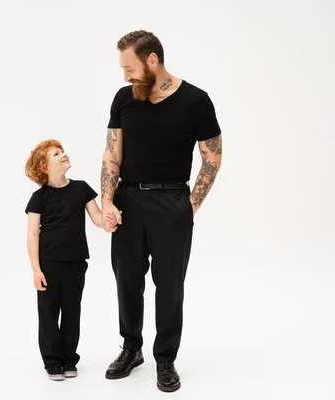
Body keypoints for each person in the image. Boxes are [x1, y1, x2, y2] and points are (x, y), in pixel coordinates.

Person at [100, 30, 223, 392]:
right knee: (127, 280)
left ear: (152, 60)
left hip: (172, 202)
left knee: (169, 286)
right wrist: (107, 200)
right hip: (128, 200)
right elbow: (111, 155)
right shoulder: (124, 99)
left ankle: (165, 358)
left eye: (130, 68)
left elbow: (212, 158)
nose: (125, 76)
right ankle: (131, 348)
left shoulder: (196, 101)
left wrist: (190, 207)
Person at [24, 139, 106, 381]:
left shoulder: (81, 189)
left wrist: (111, 218)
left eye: (63, 151)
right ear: (44, 167)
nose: (63, 155)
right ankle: (52, 361)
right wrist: (36, 270)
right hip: (48, 264)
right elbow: (32, 234)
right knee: (48, 314)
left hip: (75, 263)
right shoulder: (38, 198)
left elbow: (99, 219)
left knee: (72, 312)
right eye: (56, 154)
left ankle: (69, 358)